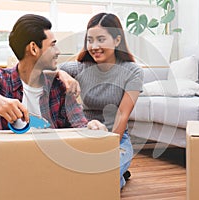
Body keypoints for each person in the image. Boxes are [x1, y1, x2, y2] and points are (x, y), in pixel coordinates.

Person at [0, 14, 106, 131]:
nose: (58, 51)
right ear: (33, 48)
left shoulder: (59, 87)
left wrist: (92, 127)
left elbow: (80, 124)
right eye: (52, 45)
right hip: (4, 166)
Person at [59, 13, 144, 189]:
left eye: (101, 39)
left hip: (116, 138)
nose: (94, 46)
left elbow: (123, 114)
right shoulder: (80, 67)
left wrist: (107, 146)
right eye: (90, 40)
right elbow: (51, 70)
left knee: (105, 175)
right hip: (83, 134)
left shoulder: (133, 71)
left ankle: (118, 171)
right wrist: (65, 76)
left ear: (117, 40)